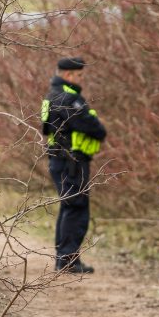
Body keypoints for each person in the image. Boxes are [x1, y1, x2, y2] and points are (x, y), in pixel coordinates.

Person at [41, 57, 106, 274]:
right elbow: (92, 126)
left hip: (62, 159)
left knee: (69, 206)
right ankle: (68, 260)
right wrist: (97, 127)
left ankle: (65, 257)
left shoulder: (53, 95)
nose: (81, 80)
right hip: (71, 161)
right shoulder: (67, 98)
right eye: (79, 75)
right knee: (76, 208)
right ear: (68, 75)